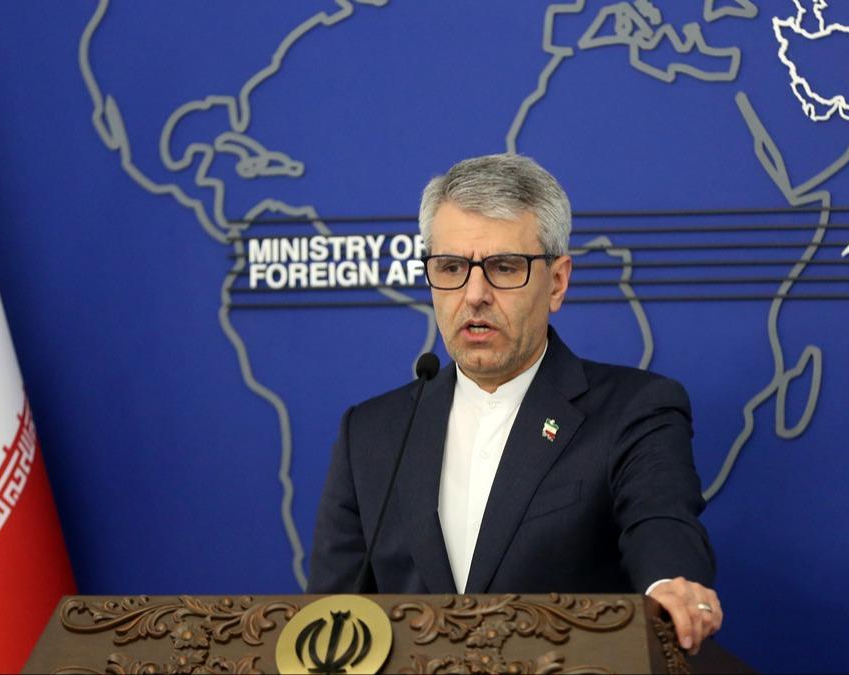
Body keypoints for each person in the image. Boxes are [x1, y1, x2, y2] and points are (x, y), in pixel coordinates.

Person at [308, 153, 722, 653]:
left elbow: (660, 521)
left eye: (504, 268)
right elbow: (331, 616)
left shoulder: (634, 411)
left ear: (557, 282)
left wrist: (667, 587)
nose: (474, 294)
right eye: (451, 267)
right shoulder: (372, 433)